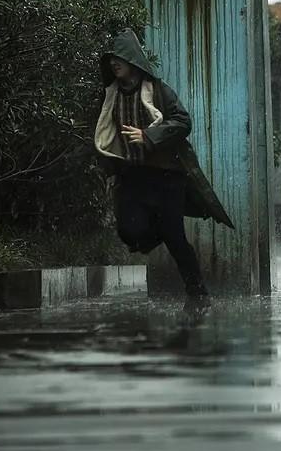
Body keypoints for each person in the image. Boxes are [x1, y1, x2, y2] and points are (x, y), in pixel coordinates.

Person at [93, 28, 233, 303]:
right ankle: (160, 230)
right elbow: (103, 134)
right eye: (111, 60)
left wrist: (148, 136)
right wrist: (110, 171)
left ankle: (198, 293)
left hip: (167, 176)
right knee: (128, 231)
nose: (114, 63)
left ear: (133, 60)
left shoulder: (157, 90)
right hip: (132, 175)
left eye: (120, 58)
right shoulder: (110, 94)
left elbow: (183, 122)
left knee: (175, 238)